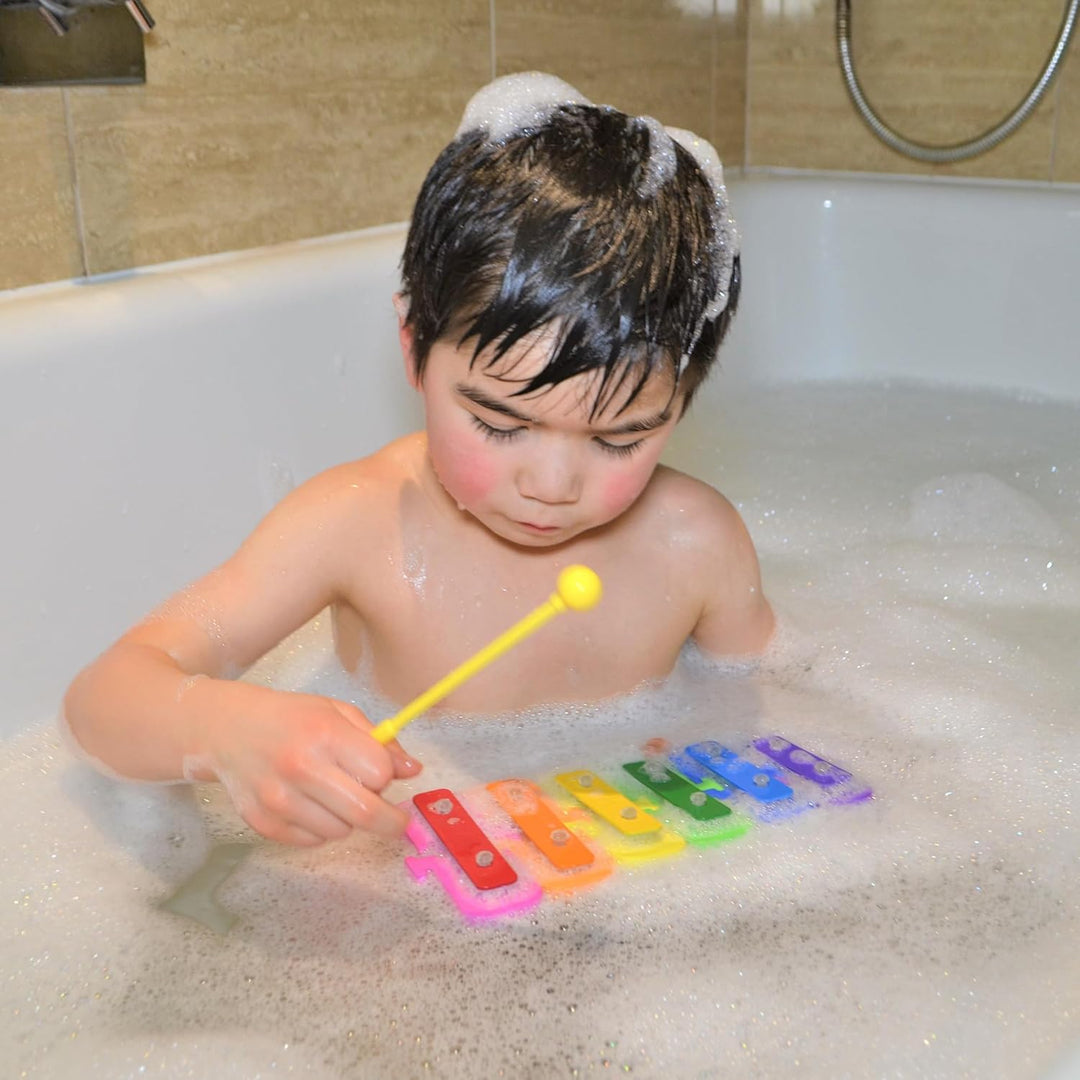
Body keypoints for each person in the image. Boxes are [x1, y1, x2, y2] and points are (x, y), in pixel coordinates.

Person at [62, 73, 774, 849]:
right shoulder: (354, 524)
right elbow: (103, 700)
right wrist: (224, 728)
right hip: (414, 877)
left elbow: (770, 706)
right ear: (413, 349)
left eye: (620, 440)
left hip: (628, 870)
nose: (551, 485)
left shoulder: (698, 544)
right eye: (499, 422)